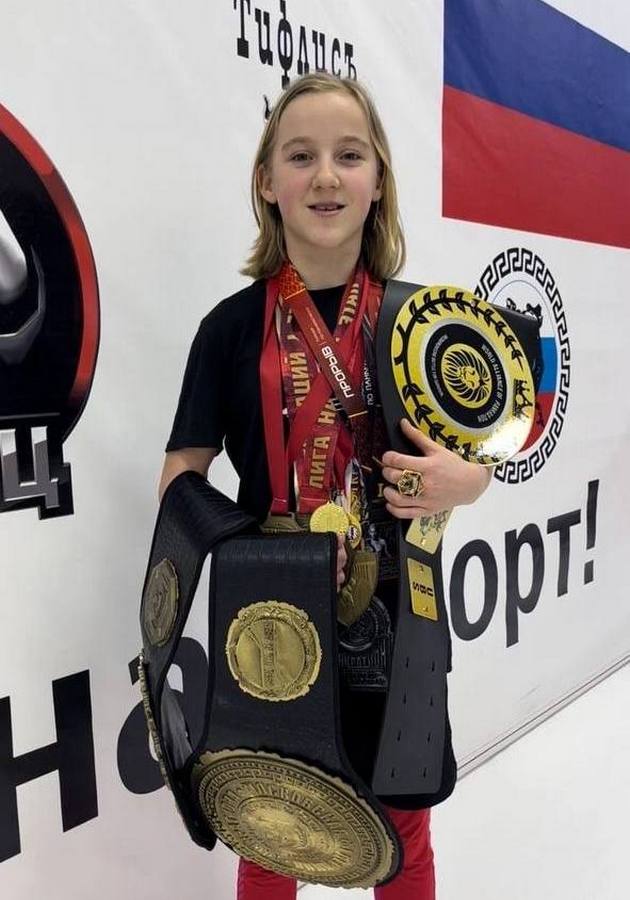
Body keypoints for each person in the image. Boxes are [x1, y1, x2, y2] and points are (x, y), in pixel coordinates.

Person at [159, 71, 492, 900]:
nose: (325, 176)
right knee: (271, 834)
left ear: (378, 180)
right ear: (267, 182)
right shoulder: (227, 330)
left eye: (349, 155)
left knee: (404, 835)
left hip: (399, 617)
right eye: (300, 156)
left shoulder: (424, 322)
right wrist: (261, 557)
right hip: (272, 619)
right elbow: (180, 482)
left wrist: (462, 482)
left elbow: (474, 465)